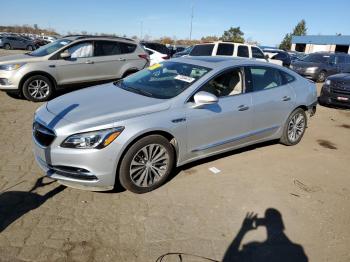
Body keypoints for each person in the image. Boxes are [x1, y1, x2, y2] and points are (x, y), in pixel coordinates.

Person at [223, 208, 308, 262]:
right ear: (282, 225)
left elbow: (228, 259)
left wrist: (243, 230)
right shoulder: (297, 251)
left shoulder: (255, 250)